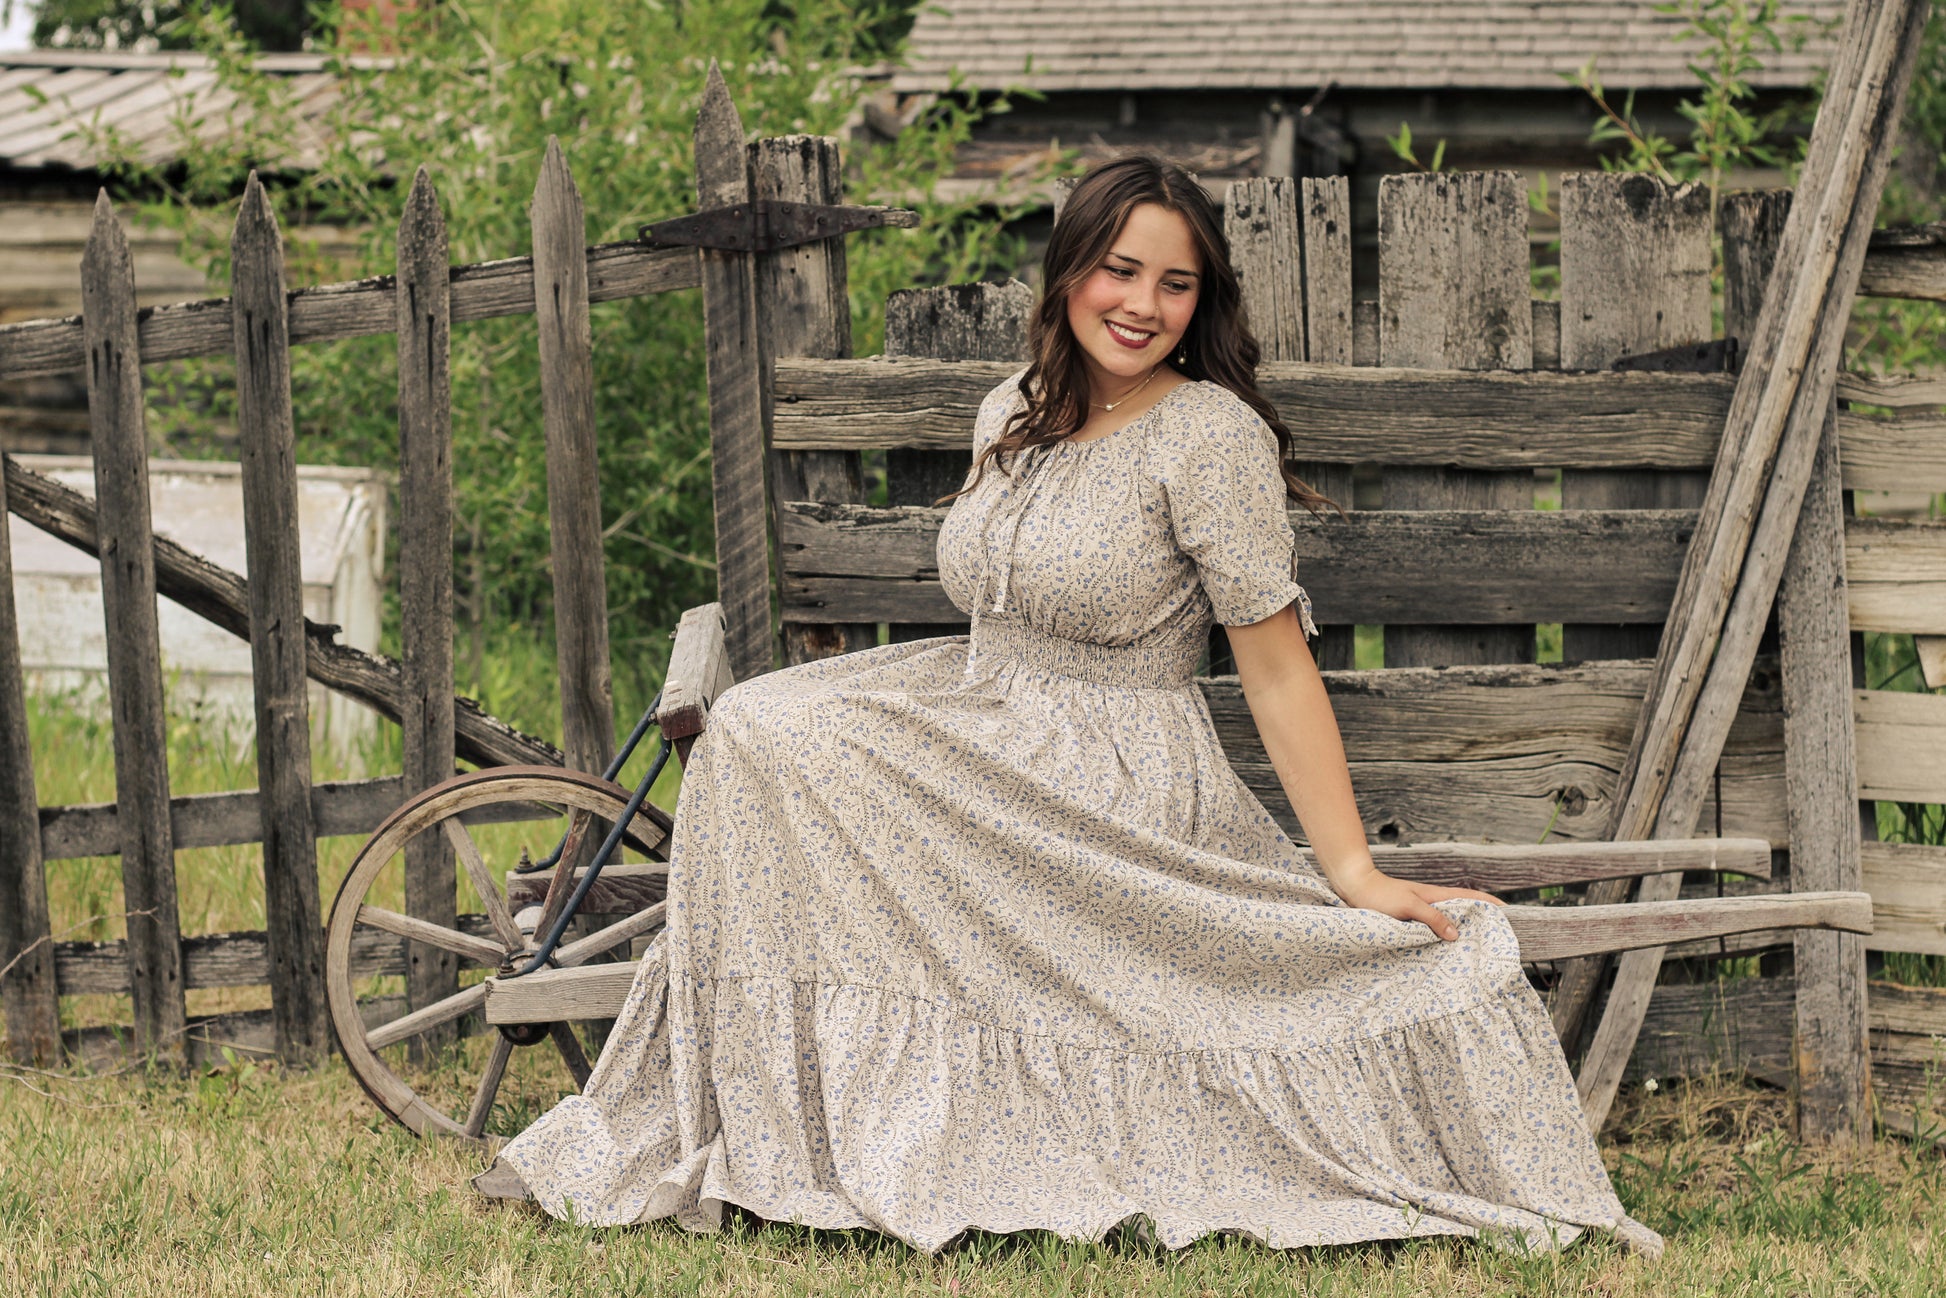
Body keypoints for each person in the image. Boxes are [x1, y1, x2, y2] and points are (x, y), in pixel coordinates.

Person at [484, 154, 1663, 1258]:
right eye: (1118, 268)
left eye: (1174, 282)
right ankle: (776, 1115)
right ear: (1069, 271)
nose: (1141, 303)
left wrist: (1348, 866)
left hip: (1102, 768)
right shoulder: (1012, 406)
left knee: (775, 736)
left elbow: (1271, 661)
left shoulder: (1209, 437)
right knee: (755, 728)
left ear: (1202, 304)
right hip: (979, 710)